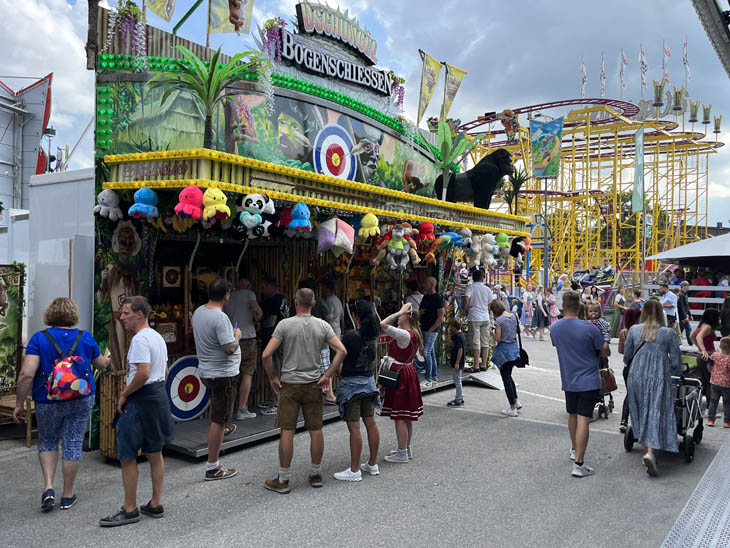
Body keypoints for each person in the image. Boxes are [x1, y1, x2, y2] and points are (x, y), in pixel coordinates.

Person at [13, 298, 110, 512]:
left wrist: (19, 404)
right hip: (81, 398)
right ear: (73, 315)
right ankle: (67, 495)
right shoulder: (85, 337)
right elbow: (102, 364)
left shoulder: (39, 338)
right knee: (73, 442)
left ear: (50, 314)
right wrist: (109, 357)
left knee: (47, 441)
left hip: (47, 399)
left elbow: (26, 374)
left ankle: (48, 488)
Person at [261, 288, 346, 494]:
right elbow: (342, 350)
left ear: (295, 302)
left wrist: (273, 378)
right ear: (314, 304)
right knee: (315, 430)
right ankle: (316, 474)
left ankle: (284, 479)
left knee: (287, 430)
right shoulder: (323, 325)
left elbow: (266, 355)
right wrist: (327, 374)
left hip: (289, 385)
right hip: (313, 385)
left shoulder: (285, 324)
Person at [99, 296, 173, 527]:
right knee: (154, 451)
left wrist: (124, 394)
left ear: (139, 314)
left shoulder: (140, 339)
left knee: (127, 455)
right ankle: (156, 502)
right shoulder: (157, 337)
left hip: (140, 400)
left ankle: (130, 508)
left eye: (126, 313)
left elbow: (143, 372)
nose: (121, 317)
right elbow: (166, 371)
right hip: (158, 397)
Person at [550, 291, 606, 478]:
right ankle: (579, 464)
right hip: (588, 379)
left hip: (569, 378)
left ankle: (574, 448)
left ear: (563, 305)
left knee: (572, 414)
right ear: (579, 305)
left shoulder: (555, 328)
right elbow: (602, 351)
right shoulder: (589, 328)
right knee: (584, 418)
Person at [623, 299, 682, 476]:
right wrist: (672, 370)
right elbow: (676, 362)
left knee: (640, 410)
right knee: (655, 410)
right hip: (658, 377)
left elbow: (627, 357)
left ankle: (646, 451)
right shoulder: (668, 333)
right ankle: (650, 452)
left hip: (637, 376)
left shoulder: (633, 330)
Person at [191, 278, 242, 481]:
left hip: (207, 371)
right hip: (223, 373)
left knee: (220, 414)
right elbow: (229, 348)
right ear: (227, 295)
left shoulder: (199, 312)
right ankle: (213, 466)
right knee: (217, 420)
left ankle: (225, 426)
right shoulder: (220, 319)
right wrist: (237, 335)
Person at [333, 301, 381, 481]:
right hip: (369, 383)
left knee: (354, 428)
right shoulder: (374, 335)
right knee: (371, 423)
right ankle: (372, 464)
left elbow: (339, 360)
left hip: (352, 385)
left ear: (356, 317)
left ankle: (354, 471)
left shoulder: (350, 336)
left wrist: (337, 375)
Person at [379, 302, 424, 463]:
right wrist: (402, 312)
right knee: (407, 415)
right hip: (408, 372)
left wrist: (399, 311)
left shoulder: (404, 334)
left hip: (400, 374)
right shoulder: (412, 333)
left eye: (402, 314)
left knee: (399, 415)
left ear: (406, 316)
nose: (398, 316)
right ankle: (406, 447)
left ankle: (402, 452)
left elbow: (382, 324)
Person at [223, 278, 262, 421]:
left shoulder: (229, 296)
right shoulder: (250, 294)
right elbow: (255, 309)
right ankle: (242, 409)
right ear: (248, 286)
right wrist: (258, 317)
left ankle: (228, 409)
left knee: (232, 375)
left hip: (230, 338)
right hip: (247, 339)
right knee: (247, 373)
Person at [298, 279, 336, 405]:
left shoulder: (298, 304)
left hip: (303, 339)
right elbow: (330, 316)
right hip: (320, 339)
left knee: (306, 367)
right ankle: (329, 394)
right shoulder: (318, 301)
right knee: (325, 368)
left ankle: (307, 395)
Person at [259, 276, 289, 415]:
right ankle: (272, 399)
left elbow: (271, 322)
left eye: (264, 287)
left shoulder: (274, 300)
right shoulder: (282, 298)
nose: (262, 289)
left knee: (274, 368)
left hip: (274, 338)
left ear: (271, 286)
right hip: (281, 337)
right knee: (275, 368)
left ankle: (277, 402)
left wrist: (258, 325)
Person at [489, 299, 522, 416]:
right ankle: (516, 401)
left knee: (506, 379)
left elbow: (498, 338)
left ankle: (512, 408)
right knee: (509, 376)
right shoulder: (513, 316)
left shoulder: (499, 320)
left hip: (504, 352)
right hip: (514, 349)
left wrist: (492, 333)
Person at [617, 307, 643, 433]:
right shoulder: (642, 331)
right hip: (641, 366)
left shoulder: (624, 332)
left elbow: (621, 351)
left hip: (628, 366)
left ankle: (624, 420)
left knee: (630, 393)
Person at [463, 269, 494, 372]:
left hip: (474, 317)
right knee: (485, 342)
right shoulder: (487, 289)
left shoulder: (470, 287)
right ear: (483, 278)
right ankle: (484, 364)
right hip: (485, 317)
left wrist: (466, 308)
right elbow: (490, 305)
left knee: (476, 342)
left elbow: (466, 298)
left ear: (473, 278)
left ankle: (476, 366)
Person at [690, 308, 720, 405]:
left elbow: (692, 336)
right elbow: (698, 337)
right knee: (710, 381)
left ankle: (704, 403)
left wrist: (700, 348)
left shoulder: (701, 325)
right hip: (708, 357)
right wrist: (704, 350)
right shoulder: (707, 327)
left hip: (701, 357)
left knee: (705, 381)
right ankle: (710, 404)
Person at [419, 277, 444, 388]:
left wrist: (431, 329)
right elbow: (421, 309)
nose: (424, 285)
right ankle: (434, 376)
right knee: (431, 353)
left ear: (432, 284)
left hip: (431, 330)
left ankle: (428, 378)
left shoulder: (437, 298)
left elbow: (440, 317)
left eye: (426, 283)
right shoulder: (425, 297)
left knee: (426, 352)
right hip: (424, 327)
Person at [707, 336, 730, 427]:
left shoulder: (714, 355)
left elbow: (709, 365)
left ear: (720, 346)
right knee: (727, 403)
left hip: (714, 382)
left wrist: (712, 372)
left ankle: (710, 420)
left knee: (713, 401)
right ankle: (727, 422)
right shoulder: (729, 359)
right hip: (727, 384)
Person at [446, 318, 466, 407]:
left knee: (457, 380)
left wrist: (457, 362)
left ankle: (459, 398)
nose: (449, 328)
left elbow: (460, 350)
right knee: (457, 379)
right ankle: (459, 397)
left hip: (457, 361)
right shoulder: (457, 335)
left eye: (450, 326)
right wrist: (449, 333)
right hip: (456, 361)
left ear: (454, 327)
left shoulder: (459, 337)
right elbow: (449, 343)